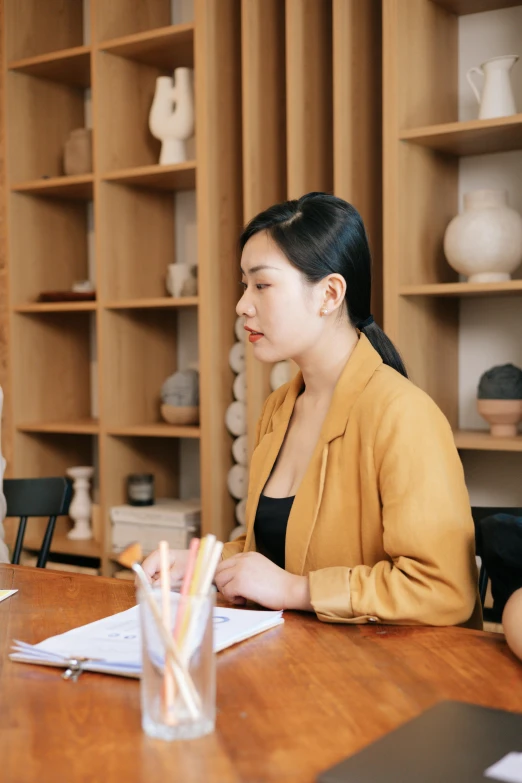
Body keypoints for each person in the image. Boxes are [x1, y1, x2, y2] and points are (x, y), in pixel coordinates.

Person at [143, 193, 480, 627]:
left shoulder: (403, 415)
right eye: (244, 285)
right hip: (296, 662)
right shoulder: (278, 408)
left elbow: (443, 590)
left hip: (383, 680)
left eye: (261, 285)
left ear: (330, 293)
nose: (243, 304)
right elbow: (277, 549)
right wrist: (203, 566)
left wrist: (296, 590)